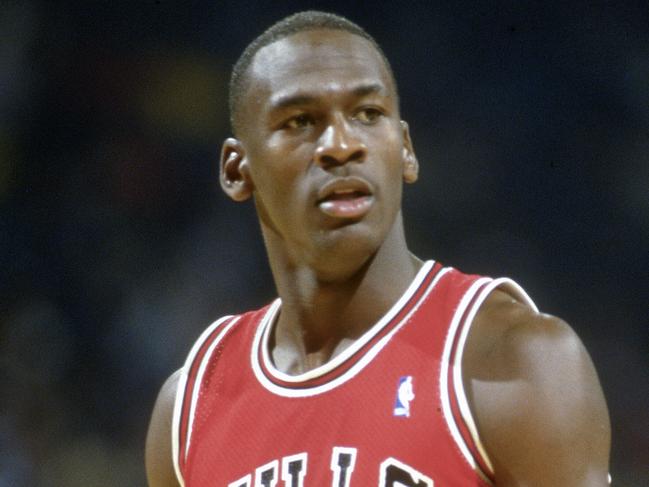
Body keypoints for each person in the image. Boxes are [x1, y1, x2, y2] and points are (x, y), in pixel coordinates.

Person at [145, 11, 610, 487]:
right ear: (236, 170)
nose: (342, 145)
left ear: (405, 149)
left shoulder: (510, 358)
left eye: (368, 114)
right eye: (301, 121)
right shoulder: (189, 408)